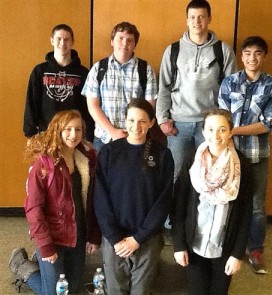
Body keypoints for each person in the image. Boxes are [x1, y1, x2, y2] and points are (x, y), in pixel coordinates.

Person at [9, 110, 101, 294]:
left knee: (73, 287)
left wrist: (94, 235)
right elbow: (33, 208)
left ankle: (42, 265)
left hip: (77, 235)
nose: (73, 135)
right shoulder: (43, 164)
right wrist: (45, 246)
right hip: (52, 236)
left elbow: (93, 201)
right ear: (56, 130)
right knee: (54, 292)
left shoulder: (87, 160)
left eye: (78, 129)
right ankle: (21, 265)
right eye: (67, 129)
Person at [93, 99, 174, 294]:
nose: (135, 126)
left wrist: (138, 238)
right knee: (115, 290)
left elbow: (163, 201)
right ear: (125, 120)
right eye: (131, 120)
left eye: (142, 121)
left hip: (147, 237)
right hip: (115, 237)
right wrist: (115, 237)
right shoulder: (109, 152)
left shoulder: (162, 154)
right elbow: (100, 198)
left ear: (151, 123)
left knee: (141, 291)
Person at [218, 36, 272, 274]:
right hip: (229, 153)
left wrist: (232, 130)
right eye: (247, 53)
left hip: (257, 154)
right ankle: (229, 246)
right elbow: (221, 117)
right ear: (241, 56)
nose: (252, 58)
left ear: (264, 56)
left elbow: (268, 123)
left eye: (257, 53)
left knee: (256, 206)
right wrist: (229, 130)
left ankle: (255, 251)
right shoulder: (229, 82)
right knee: (227, 200)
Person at [172, 109, 252, 295]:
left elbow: (245, 213)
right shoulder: (192, 160)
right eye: (210, 129)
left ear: (231, 132)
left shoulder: (243, 166)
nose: (215, 136)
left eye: (222, 130)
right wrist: (179, 245)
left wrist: (237, 254)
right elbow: (178, 206)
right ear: (203, 132)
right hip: (194, 247)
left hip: (224, 249)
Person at [156, 0, 237, 183]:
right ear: (187, 20)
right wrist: (162, 120)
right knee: (174, 175)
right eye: (192, 17)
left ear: (209, 18)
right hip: (178, 125)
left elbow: (232, 91)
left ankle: (203, 213)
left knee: (210, 175)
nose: (197, 21)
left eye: (201, 17)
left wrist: (226, 123)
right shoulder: (173, 50)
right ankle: (173, 213)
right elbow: (164, 88)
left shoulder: (223, 51)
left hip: (211, 126)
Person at [81, 21, 158, 153]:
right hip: (104, 138)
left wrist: (133, 132)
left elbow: (149, 107)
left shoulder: (145, 70)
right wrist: (113, 131)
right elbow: (93, 105)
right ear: (112, 41)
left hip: (136, 138)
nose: (124, 44)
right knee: (102, 174)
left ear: (135, 44)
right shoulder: (99, 68)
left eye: (130, 40)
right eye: (120, 39)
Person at [23, 24, 94, 142]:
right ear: (52, 41)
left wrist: (88, 136)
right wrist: (30, 134)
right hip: (46, 134)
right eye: (59, 39)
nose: (63, 43)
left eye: (67, 39)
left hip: (74, 136)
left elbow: (88, 107)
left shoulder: (83, 73)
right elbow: (31, 102)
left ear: (72, 42)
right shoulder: (40, 71)